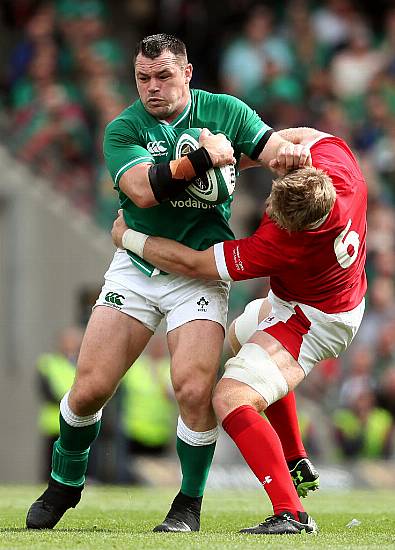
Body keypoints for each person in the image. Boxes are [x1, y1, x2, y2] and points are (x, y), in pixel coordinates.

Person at [26, 33, 314, 532]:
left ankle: (187, 504)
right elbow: (140, 191)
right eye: (143, 78)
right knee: (89, 388)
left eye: (162, 76)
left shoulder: (224, 111)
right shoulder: (123, 128)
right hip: (137, 269)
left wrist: (293, 155)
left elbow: (271, 148)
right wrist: (204, 159)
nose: (152, 87)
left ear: (187, 73)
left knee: (193, 388)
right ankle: (65, 480)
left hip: (198, 274)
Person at [111, 127, 367, 535]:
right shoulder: (340, 170)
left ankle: (292, 513)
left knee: (230, 397)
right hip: (316, 298)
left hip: (312, 320)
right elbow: (313, 134)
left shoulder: (280, 241)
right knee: (231, 346)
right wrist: (242, 154)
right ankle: (294, 456)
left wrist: (130, 238)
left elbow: (195, 264)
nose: (268, 207)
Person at [36, 326, 83, 480]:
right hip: (54, 423)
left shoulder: (83, 364)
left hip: (78, 422)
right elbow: (46, 392)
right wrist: (74, 404)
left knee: (76, 463)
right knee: (51, 463)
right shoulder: (48, 362)